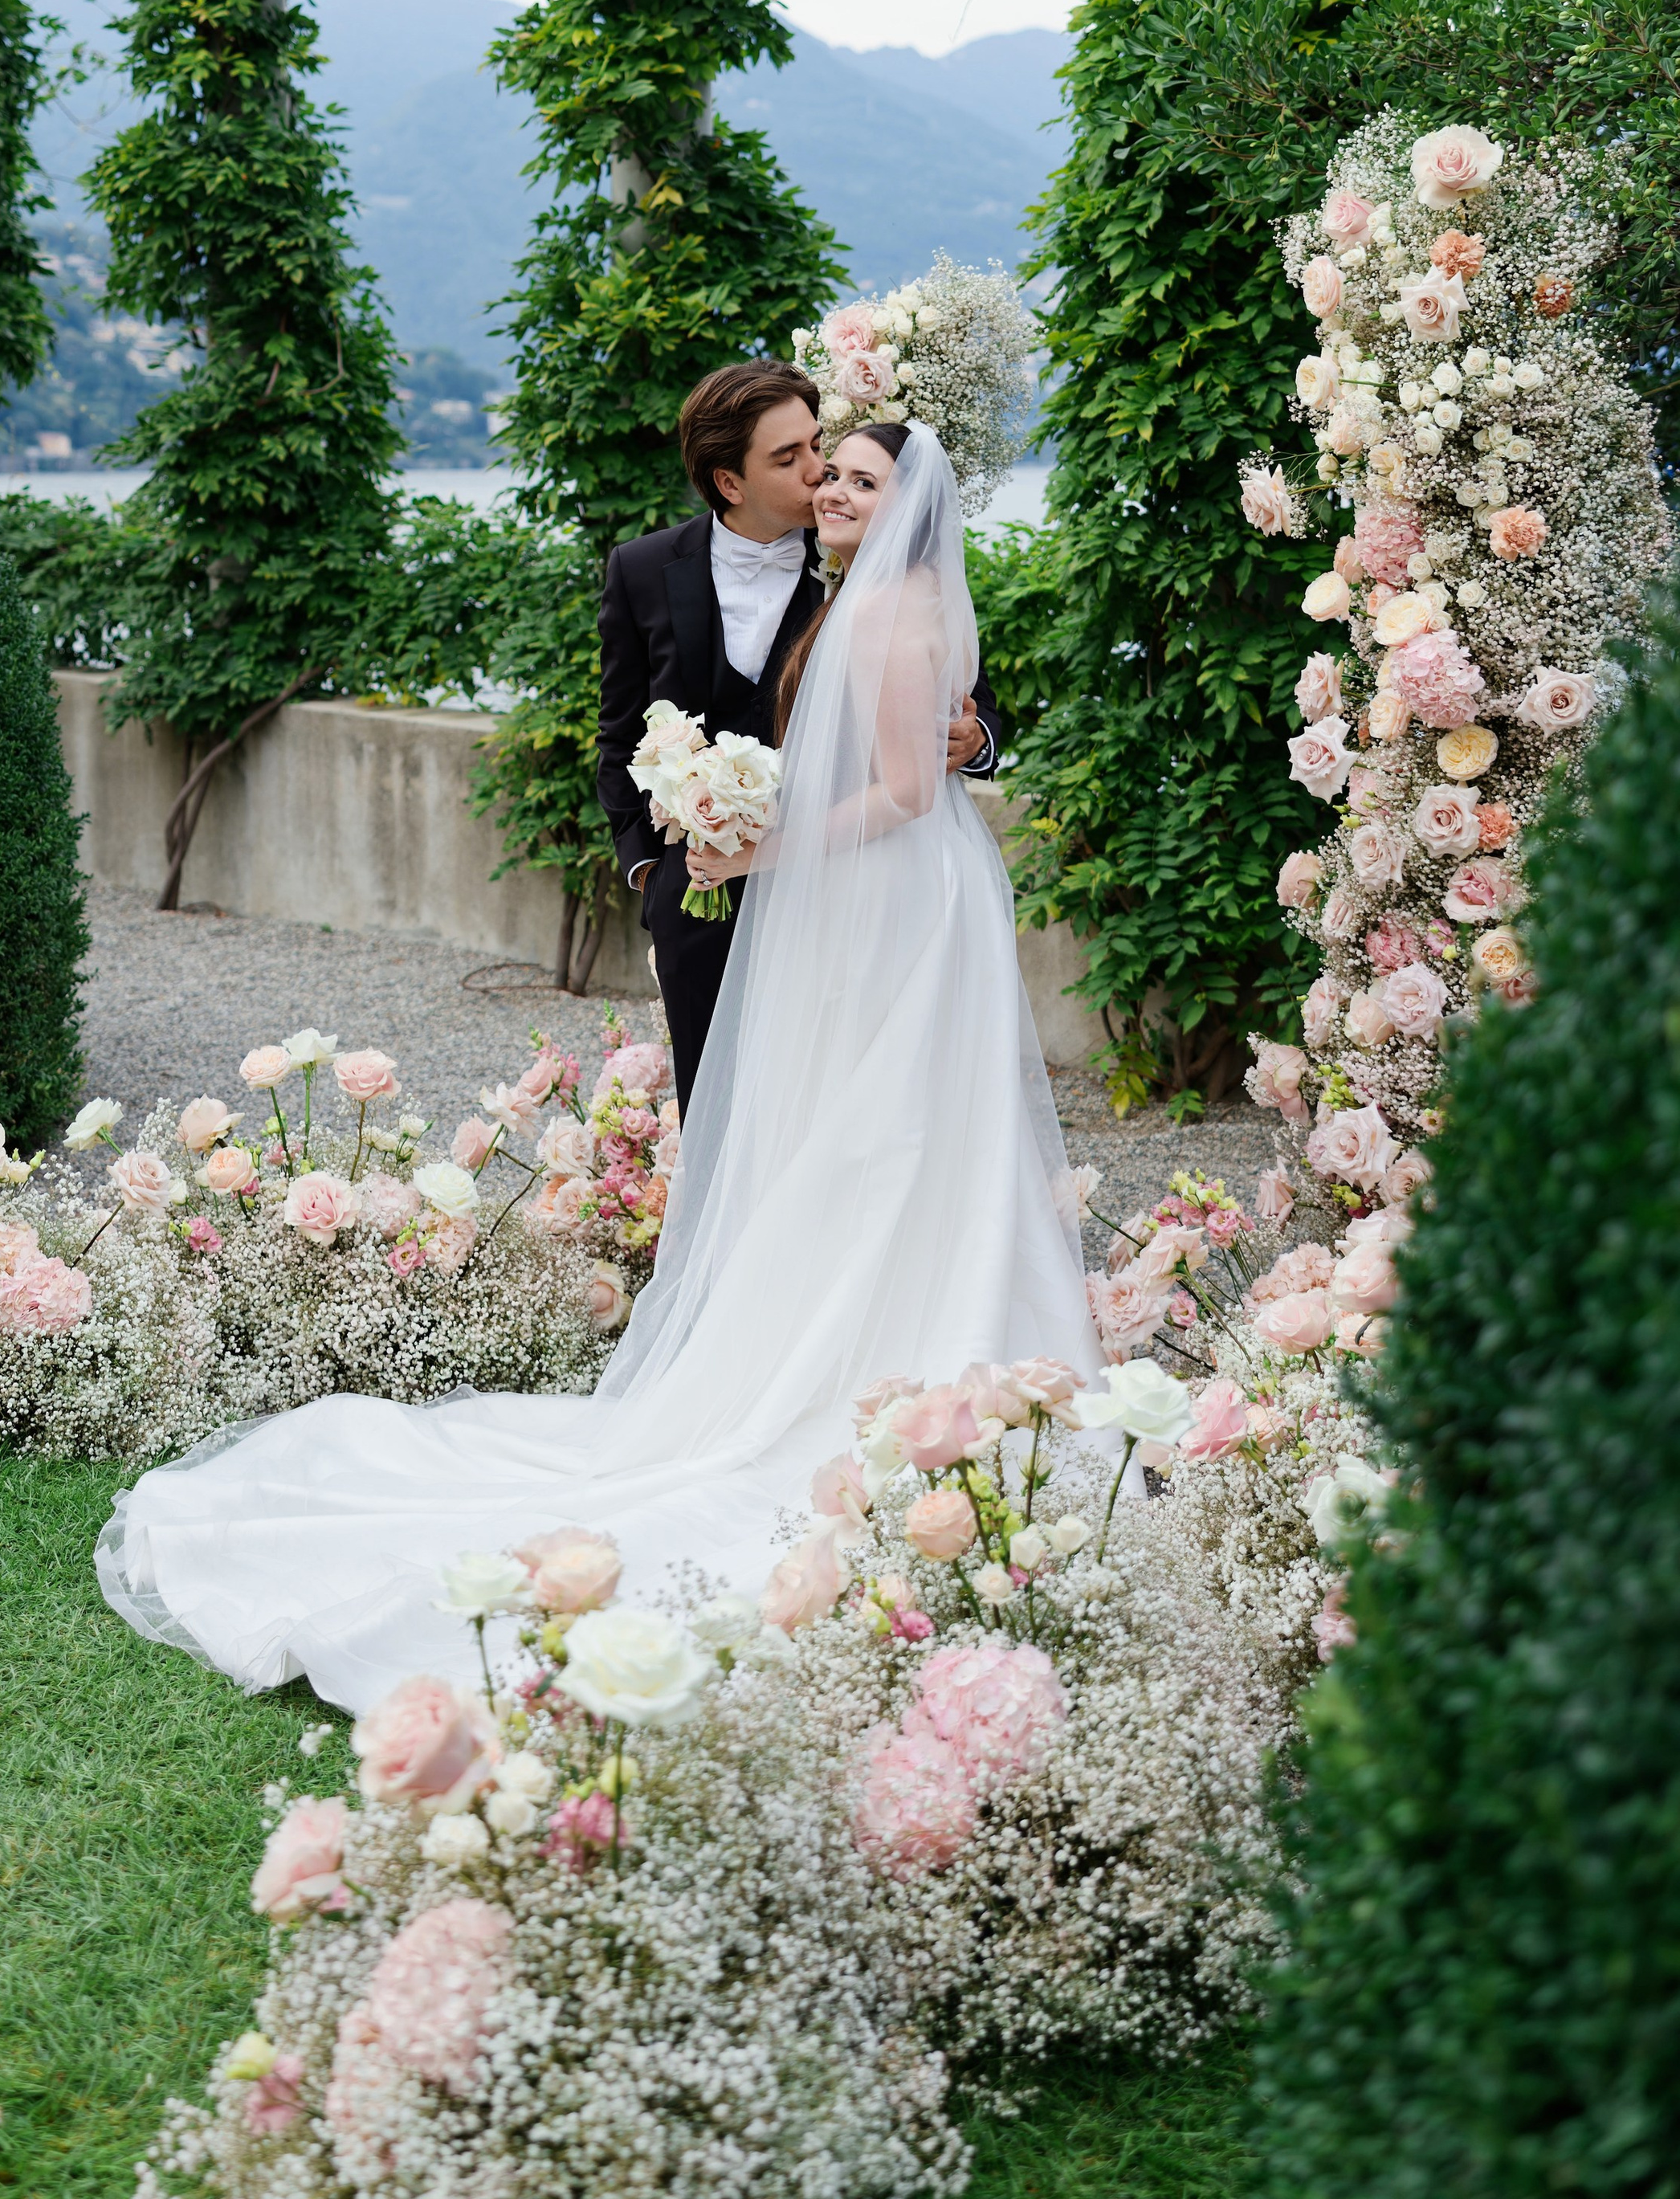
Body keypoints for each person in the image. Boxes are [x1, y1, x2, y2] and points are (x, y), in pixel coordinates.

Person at [96, 420, 1098, 1713]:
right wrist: (677, 854)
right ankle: (831, 1331)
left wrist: (770, 843)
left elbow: (924, 766)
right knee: (818, 1128)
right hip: (822, 891)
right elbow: (630, 724)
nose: (830, 487)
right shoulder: (715, 575)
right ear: (733, 476)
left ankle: (907, 1344)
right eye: (817, 468)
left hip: (884, 893)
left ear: (905, 505)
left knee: (902, 1125)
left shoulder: (883, 602)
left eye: (854, 475)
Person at [596, 359, 1000, 1115]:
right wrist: (654, 875)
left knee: (829, 1113)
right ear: (729, 482)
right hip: (700, 896)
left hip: (841, 890)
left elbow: (968, 698)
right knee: (715, 1119)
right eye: (791, 459)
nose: (820, 474)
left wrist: (975, 738)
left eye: (818, 445)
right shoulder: (643, 570)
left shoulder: (867, 562)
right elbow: (620, 735)